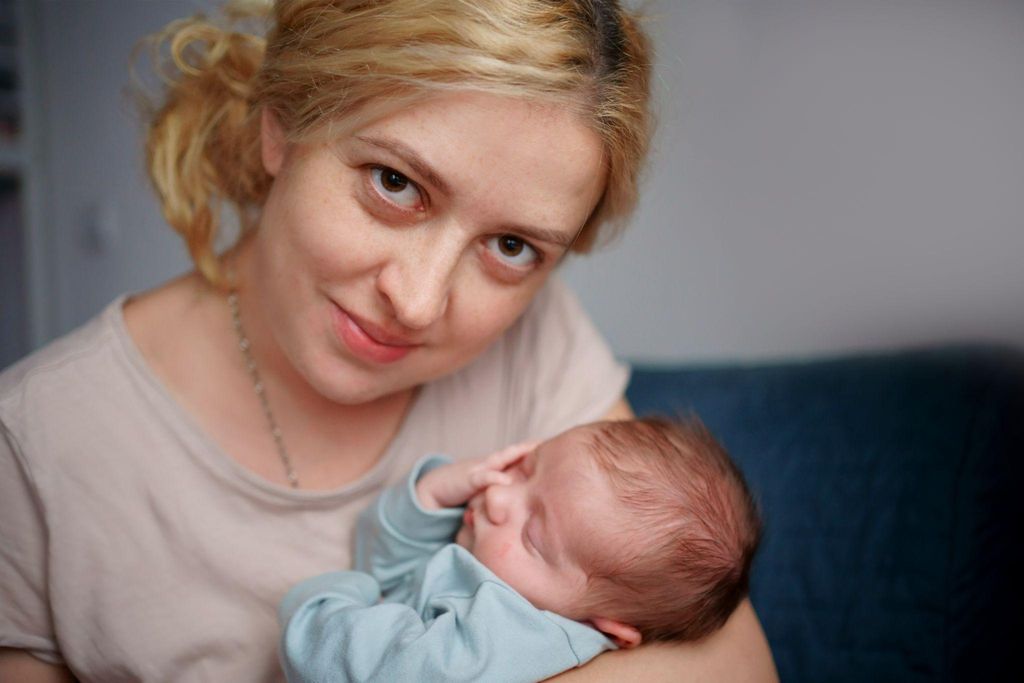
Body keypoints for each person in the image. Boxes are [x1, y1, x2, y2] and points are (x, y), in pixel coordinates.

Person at [0, 1, 777, 680]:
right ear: (281, 124)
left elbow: (734, 665)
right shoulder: (36, 446)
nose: (417, 301)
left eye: (511, 246)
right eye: (395, 182)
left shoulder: (536, 340)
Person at [280, 417, 762, 682]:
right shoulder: (519, 582)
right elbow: (391, 571)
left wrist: (322, 607)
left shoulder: (512, 636)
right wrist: (431, 496)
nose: (498, 496)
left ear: (605, 626)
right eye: (526, 467)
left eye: (533, 533)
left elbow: (375, 670)